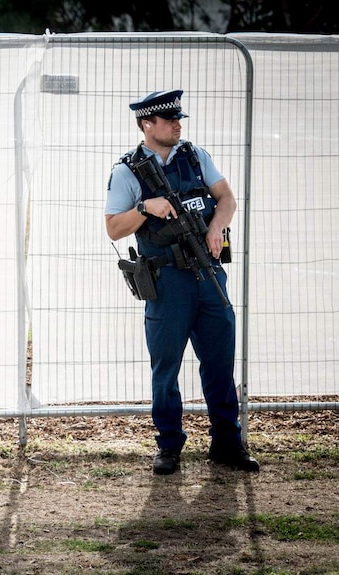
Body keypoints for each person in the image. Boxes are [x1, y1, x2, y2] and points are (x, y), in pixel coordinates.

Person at [104, 90, 259, 475]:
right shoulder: (127, 171)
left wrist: (217, 227)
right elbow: (112, 228)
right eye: (169, 120)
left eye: (179, 119)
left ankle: (227, 442)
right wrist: (144, 207)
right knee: (167, 367)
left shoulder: (194, 156)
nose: (178, 125)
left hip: (208, 275)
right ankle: (169, 445)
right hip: (167, 282)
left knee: (220, 362)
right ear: (147, 125)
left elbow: (226, 197)